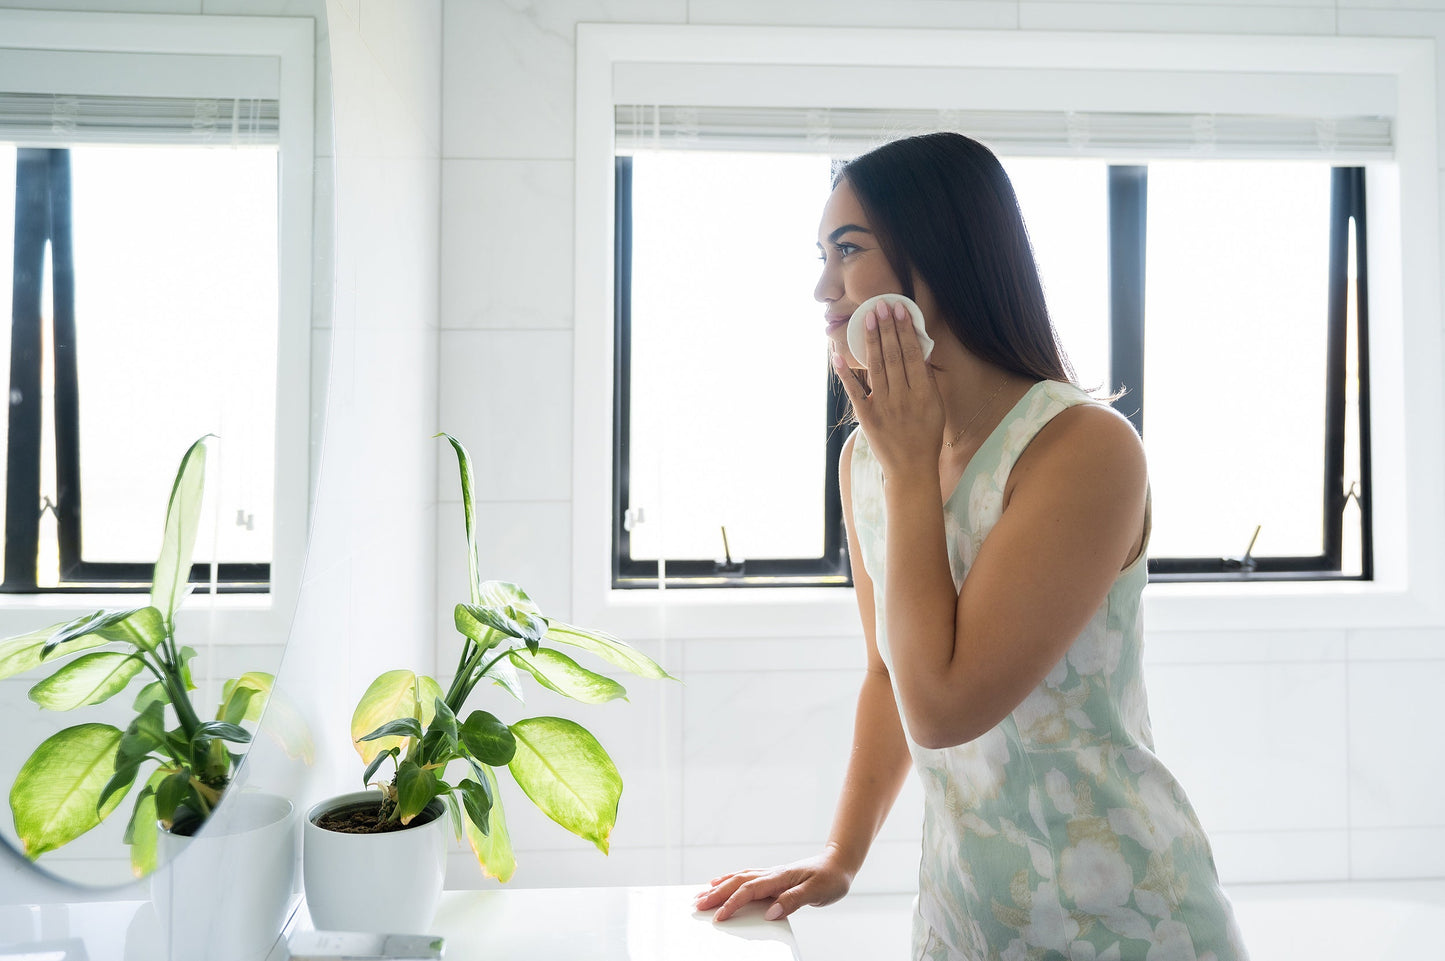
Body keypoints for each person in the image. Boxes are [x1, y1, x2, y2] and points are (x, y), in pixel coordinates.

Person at [692, 132, 1249, 961]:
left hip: (1129, 920)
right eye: (820, 254)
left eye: (846, 250)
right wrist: (842, 854)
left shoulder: (1085, 449)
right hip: (965, 923)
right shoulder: (865, 456)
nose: (822, 286)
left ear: (941, 253)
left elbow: (944, 708)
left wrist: (910, 466)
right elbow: (891, 672)